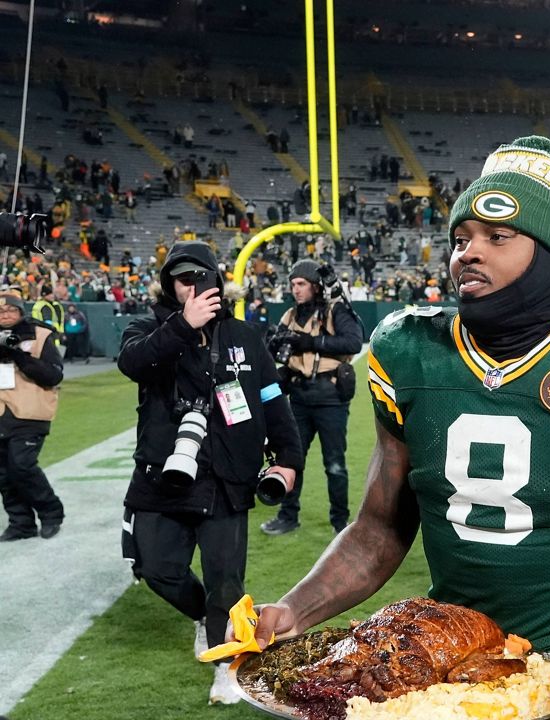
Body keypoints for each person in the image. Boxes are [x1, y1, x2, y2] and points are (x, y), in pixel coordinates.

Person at [250, 137, 550, 720]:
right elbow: (379, 528)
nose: (468, 253)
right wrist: (293, 610)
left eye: (498, 238)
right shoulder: (410, 349)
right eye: (461, 239)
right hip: (445, 667)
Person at [116, 241, 303, 704]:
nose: (193, 287)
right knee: (155, 568)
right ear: (168, 285)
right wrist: (184, 324)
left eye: (201, 278)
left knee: (226, 580)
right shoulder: (149, 328)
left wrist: (288, 457)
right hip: (164, 474)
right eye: (182, 279)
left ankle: (227, 665)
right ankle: (203, 616)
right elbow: (133, 363)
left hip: (227, 475)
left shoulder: (243, 334)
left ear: (217, 282)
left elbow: (269, 398)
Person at [261, 260, 364, 536]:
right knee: (291, 459)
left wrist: (311, 342)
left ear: (315, 286)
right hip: (298, 396)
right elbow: (272, 352)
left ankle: (340, 523)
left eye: (301, 284)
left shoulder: (335, 309)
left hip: (330, 397)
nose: (296, 289)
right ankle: (288, 515)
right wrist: (273, 345)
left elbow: (354, 341)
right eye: (293, 284)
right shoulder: (289, 315)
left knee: (334, 464)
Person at [0, 292, 65, 541]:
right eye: (1, 312)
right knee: (4, 473)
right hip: (2, 414)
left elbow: (53, 375)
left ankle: (51, 513)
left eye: (11, 310)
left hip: (30, 412)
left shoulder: (40, 335)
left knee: (22, 466)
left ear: (20, 311)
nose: (6, 315)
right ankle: (21, 523)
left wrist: (17, 355)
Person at [31, 288, 65, 356]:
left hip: (47, 330)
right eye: (49, 294)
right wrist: (51, 329)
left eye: (52, 294)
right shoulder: (44, 306)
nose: (52, 296)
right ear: (44, 296)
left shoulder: (53, 304)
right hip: (49, 331)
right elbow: (47, 320)